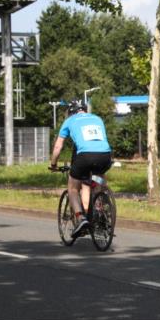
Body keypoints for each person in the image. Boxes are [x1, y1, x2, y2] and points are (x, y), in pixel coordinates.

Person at [49, 100, 112, 239]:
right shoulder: (97, 118)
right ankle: (100, 209)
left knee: (72, 188)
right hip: (105, 156)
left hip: (85, 157)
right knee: (97, 180)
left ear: (71, 112)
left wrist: (53, 164)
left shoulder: (70, 120)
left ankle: (80, 218)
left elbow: (58, 146)